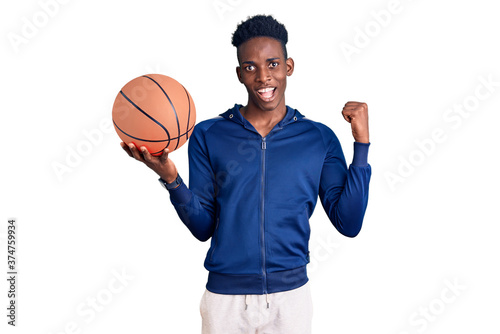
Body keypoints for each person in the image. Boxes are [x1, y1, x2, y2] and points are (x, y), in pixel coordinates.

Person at [121, 14, 371, 334]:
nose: (263, 77)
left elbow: (348, 223)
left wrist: (361, 145)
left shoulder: (318, 139)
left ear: (288, 66)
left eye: (273, 64)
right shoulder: (209, 134)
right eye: (251, 67)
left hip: (290, 299)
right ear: (240, 74)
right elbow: (203, 227)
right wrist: (171, 178)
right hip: (225, 301)